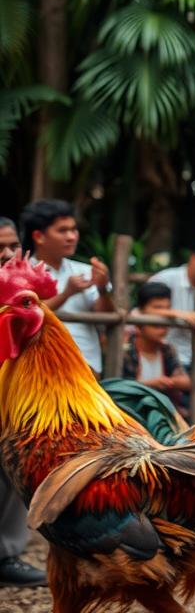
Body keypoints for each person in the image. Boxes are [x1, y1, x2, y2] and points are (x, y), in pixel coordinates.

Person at [21, 199, 114, 374]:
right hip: (37, 368)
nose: (71, 236)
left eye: (73, 229)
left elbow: (107, 317)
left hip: (86, 366)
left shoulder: (86, 271)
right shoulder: (21, 273)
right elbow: (24, 318)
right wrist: (66, 294)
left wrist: (102, 289)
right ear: (38, 237)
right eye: (62, 230)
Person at [0, 218, 43, 588]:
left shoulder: (15, 286)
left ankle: (6, 555)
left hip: (11, 394)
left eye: (12, 245)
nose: (7, 253)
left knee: (10, 471)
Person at [147, 241, 195, 368]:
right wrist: (181, 315)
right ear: (193, 258)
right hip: (160, 355)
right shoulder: (166, 279)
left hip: (191, 357)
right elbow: (144, 310)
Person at [124, 282, 191, 409]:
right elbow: (118, 388)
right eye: (158, 308)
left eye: (167, 309)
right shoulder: (126, 349)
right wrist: (150, 385)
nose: (164, 315)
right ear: (141, 314)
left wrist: (169, 381)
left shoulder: (167, 349)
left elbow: (187, 382)